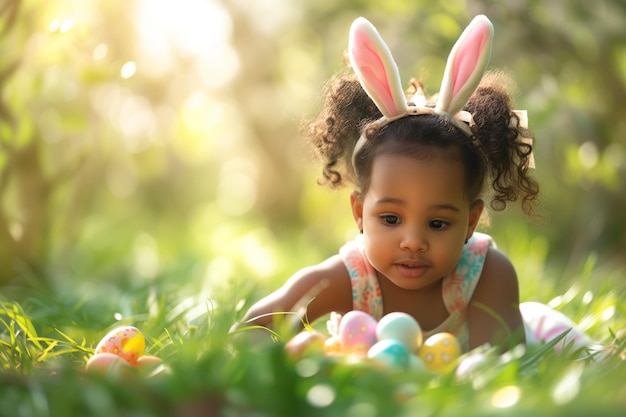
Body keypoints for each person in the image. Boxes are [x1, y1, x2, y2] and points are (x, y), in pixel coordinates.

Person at [240, 15, 591, 353]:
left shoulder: (487, 274)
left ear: (470, 221)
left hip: (540, 334)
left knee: (584, 355)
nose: (413, 242)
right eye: (391, 219)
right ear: (360, 212)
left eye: (438, 223)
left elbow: (492, 368)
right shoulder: (349, 279)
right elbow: (255, 327)